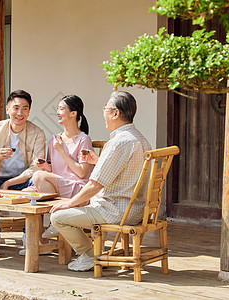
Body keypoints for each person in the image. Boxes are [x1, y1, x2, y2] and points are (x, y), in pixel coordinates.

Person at [49, 91, 152, 272]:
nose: (103, 112)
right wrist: (98, 161)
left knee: (58, 217)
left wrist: (70, 203)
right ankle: (91, 252)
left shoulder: (119, 142)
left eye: (105, 108)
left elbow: (95, 184)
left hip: (115, 211)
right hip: (136, 210)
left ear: (115, 113)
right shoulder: (140, 139)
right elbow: (126, 170)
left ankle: (89, 254)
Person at [19, 95, 94, 255]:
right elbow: (55, 171)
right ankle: (42, 241)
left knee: (38, 177)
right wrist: (45, 165)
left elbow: (81, 173)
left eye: (61, 108)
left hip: (78, 189)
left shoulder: (83, 139)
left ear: (73, 113)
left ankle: (55, 222)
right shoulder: (55, 139)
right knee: (27, 194)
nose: (58, 112)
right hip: (60, 186)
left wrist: (62, 151)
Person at [0, 89, 46, 241]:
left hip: (23, 180)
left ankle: (28, 234)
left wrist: (10, 183)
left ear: (29, 112)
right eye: (16, 108)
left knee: (39, 182)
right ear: (8, 109)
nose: (20, 113)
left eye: (25, 108)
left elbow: (37, 166)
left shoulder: (37, 133)